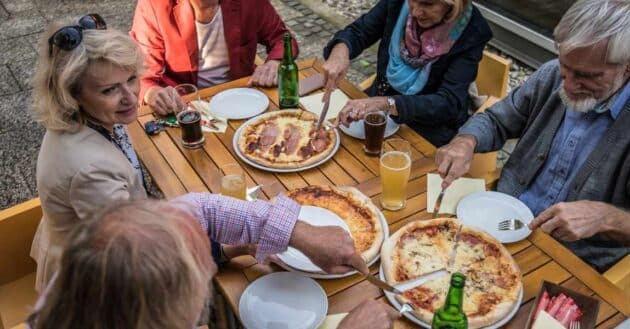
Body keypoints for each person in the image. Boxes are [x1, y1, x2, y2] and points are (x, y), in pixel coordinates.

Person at [29, 15, 249, 292]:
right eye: (110, 89)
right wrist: (230, 249)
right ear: (71, 95)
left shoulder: (90, 118)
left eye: (132, 78)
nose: (131, 97)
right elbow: (139, 256)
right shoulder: (91, 171)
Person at [434, 0, 630, 272]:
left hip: (570, 263)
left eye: (586, 76)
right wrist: (465, 142)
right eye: (565, 65)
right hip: (500, 222)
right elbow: (496, 120)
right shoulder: (552, 73)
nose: (568, 84)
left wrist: (607, 219)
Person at [26, 196, 400, 329]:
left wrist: (298, 233)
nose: (209, 268)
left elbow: (197, 209)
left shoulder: (88, 280)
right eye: (200, 273)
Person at [324, 0, 492, 146]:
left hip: (427, 127)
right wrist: (340, 51)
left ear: (453, 4)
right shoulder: (399, 3)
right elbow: (359, 31)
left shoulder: (473, 30)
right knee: (331, 139)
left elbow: (449, 102)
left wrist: (388, 103)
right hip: (379, 107)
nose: (415, 11)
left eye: (428, 3)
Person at [130, 0, 299, 115]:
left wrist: (276, 62)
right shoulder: (154, 5)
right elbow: (140, 74)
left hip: (242, 96)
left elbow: (282, 38)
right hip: (186, 106)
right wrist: (151, 93)